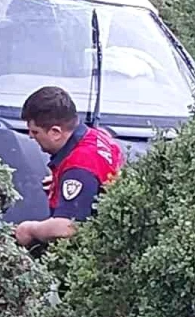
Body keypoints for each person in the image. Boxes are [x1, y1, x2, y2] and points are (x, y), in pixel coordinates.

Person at [14, 86, 123, 248]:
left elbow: (67, 228)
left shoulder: (79, 168)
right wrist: (63, 180)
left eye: (35, 132)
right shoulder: (96, 137)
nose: (30, 136)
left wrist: (30, 230)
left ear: (56, 132)